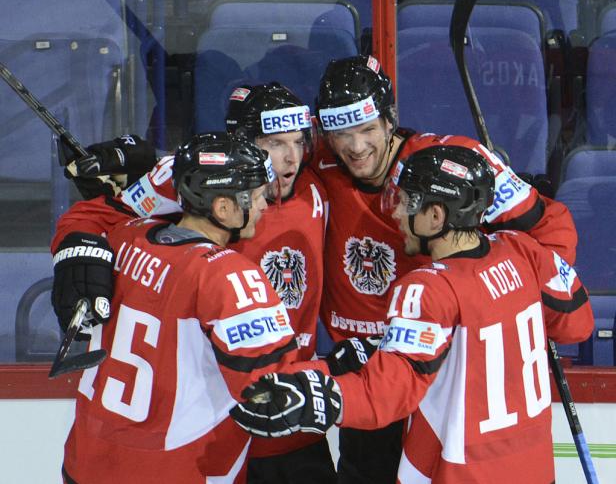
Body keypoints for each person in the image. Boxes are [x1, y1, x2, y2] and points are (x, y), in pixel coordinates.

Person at [230, 145, 595, 484]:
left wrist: (316, 396)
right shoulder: (523, 250)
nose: (396, 213)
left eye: (406, 203)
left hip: (461, 473)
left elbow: (388, 395)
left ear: (436, 215)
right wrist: (381, 346)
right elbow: (577, 325)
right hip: (534, 469)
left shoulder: (427, 288)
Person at [53, 84, 349, 483]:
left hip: (285, 418)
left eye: (299, 142)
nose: (291, 157)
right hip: (221, 416)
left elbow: (363, 138)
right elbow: (93, 217)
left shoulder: (319, 177)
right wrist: (77, 245)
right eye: (274, 144)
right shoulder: (193, 180)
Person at [309, 54, 580, 483]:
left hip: (442, 383)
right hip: (368, 379)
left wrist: (519, 312)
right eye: (341, 133)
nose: (355, 147)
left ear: (389, 119)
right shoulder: (315, 162)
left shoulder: (450, 165)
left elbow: (550, 228)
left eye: (366, 129)